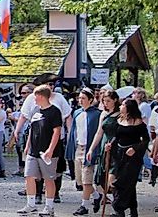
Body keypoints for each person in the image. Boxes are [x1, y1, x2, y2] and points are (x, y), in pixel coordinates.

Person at [13, 80, 72, 203]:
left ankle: (54, 194)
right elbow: (25, 117)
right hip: (36, 140)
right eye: (47, 85)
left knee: (55, 170)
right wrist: (17, 131)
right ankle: (37, 195)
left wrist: (69, 133)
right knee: (33, 172)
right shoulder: (33, 100)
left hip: (55, 140)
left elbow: (67, 117)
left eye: (52, 85)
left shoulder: (58, 100)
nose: (50, 87)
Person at [18, 85, 63, 217]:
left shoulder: (55, 111)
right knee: (29, 176)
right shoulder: (35, 110)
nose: (34, 99)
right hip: (33, 150)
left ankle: (49, 207)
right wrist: (27, 146)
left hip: (48, 152)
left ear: (42, 96)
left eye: (35, 96)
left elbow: (57, 132)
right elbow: (32, 129)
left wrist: (50, 149)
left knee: (49, 179)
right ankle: (31, 205)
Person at [109, 99, 150, 217]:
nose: (120, 106)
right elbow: (116, 137)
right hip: (119, 154)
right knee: (128, 183)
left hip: (133, 156)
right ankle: (133, 209)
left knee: (124, 182)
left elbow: (146, 140)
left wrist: (136, 148)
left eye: (123, 105)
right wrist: (110, 145)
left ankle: (118, 207)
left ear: (129, 108)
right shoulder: (120, 120)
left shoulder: (138, 123)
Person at [66, 88, 102, 215]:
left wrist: (95, 149)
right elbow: (74, 131)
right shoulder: (77, 112)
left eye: (83, 98)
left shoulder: (97, 114)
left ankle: (84, 205)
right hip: (79, 147)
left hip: (89, 148)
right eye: (79, 98)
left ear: (90, 100)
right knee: (80, 180)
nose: (80, 100)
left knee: (87, 179)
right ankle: (97, 196)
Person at [87, 90, 121, 205]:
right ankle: (102, 197)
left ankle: (118, 201)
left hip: (116, 146)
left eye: (108, 101)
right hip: (104, 146)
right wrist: (91, 149)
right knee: (101, 175)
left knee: (113, 176)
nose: (105, 103)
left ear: (115, 100)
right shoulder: (103, 114)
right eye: (104, 101)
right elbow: (99, 133)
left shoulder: (121, 114)